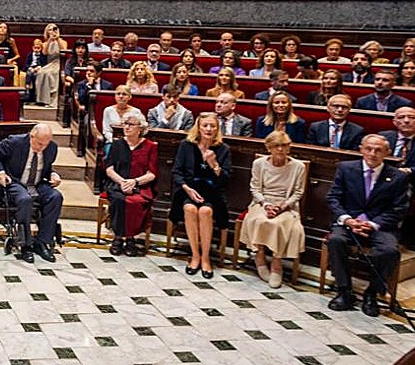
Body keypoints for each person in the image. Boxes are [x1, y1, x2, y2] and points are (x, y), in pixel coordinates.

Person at [325, 134, 411, 316]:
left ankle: (372, 293)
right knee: (336, 240)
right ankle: (344, 290)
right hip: (349, 222)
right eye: (369, 149)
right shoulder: (346, 168)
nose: (373, 154)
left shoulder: (398, 177)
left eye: (378, 150)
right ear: (361, 150)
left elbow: (399, 209)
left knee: (389, 251)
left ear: (387, 153)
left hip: (379, 226)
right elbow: (333, 198)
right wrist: (347, 219)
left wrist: (372, 224)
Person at [238, 132, 306, 289]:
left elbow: (298, 192)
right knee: (260, 220)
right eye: (276, 146)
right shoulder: (259, 164)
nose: (280, 149)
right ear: (269, 148)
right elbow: (254, 188)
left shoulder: (298, 167)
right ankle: (259, 256)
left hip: (286, 204)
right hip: (262, 202)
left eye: (284, 145)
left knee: (279, 224)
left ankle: (276, 262)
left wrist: (282, 206)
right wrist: (266, 204)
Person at [0, 123, 64, 263]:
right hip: (15, 182)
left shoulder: (52, 147)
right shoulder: (15, 142)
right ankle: (25, 245)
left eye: (45, 145)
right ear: (32, 136)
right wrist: (0, 172)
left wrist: (53, 174)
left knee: (56, 197)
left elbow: (47, 167)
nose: (42, 148)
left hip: (37, 184)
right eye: (39, 144)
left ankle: (42, 242)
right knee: (25, 199)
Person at [170, 112, 232, 279]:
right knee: (190, 209)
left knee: (205, 212)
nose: (209, 129)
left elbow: (225, 179)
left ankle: (205, 258)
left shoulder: (223, 149)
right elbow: (176, 172)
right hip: (188, 189)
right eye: (205, 125)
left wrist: (214, 164)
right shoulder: (186, 145)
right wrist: (187, 189)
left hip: (212, 192)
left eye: (213, 126)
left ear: (217, 129)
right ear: (198, 127)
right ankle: (195, 256)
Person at [103, 111, 159, 257]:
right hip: (117, 184)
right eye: (125, 124)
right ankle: (118, 238)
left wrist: (134, 182)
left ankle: (130, 238)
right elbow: (109, 169)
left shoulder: (150, 146)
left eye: (131, 124)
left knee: (135, 202)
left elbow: (152, 173)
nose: (126, 127)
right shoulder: (117, 144)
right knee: (118, 200)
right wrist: (123, 182)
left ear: (140, 128)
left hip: (141, 186)